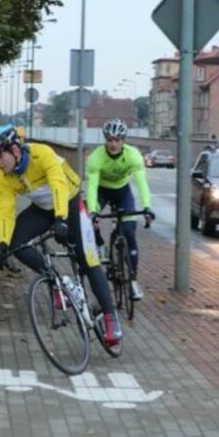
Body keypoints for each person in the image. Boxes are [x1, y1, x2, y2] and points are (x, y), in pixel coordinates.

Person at [0, 124, 123, 346]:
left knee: (87, 259)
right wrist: (2, 243)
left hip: (70, 202)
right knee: (15, 242)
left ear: (15, 150)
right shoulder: (6, 177)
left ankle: (111, 318)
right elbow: (5, 210)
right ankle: (60, 283)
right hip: (43, 209)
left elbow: (59, 185)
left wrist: (61, 219)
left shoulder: (42, 154)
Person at [85, 118, 154, 301]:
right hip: (102, 191)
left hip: (122, 192)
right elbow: (91, 187)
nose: (113, 144)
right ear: (105, 140)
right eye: (110, 140)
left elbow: (142, 183)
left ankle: (133, 281)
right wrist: (93, 212)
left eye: (117, 140)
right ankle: (100, 244)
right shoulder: (96, 158)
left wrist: (147, 207)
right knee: (88, 218)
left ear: (123, 140)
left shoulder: (133, 155)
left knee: (129, 232)